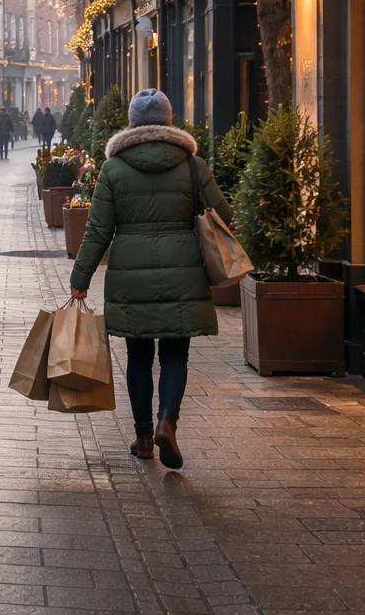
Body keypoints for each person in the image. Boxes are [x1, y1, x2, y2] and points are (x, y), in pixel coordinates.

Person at [68, 88, 230, 470]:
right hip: (183, 268)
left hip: (130, 272)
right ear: (169, 120)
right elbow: (223, 213)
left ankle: (143, 438)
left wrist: (80, 278)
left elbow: (97, 231)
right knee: (176, 353)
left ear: (133, 123)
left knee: (139, 355)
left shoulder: (113, 169)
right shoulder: (193, 165)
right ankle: (167, 421)